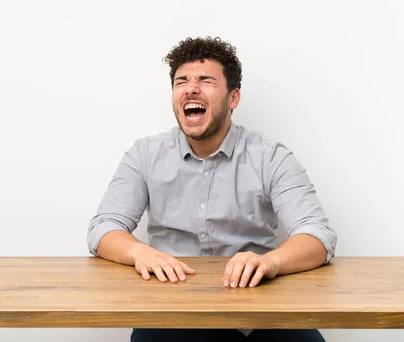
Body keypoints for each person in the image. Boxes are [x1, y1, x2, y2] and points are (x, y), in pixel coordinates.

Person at [86, 36, 337, 341]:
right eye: (182, 81)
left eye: (205, 80)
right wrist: (141, 253)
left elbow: (317, 236)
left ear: (233, 98)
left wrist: (270, 262)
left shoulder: (271, 156)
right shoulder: (145, 155)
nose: (191, 88)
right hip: (173, 310)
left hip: (260, 309)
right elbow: (103, 229)